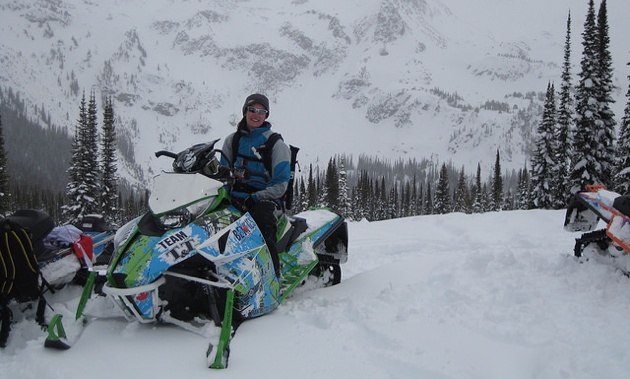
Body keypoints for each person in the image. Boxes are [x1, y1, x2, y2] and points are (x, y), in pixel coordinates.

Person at [220, 94, 291, 279]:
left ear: (266, 116)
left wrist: (256, 198)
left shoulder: (276, 145)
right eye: (252, 110)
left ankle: (272, 276)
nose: (256, 115)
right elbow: (223, 174)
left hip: (266, 200)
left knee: (261, 221)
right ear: (245, 111)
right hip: (235, 198)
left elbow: (281, 184)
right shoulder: (232, 141)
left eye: (261, 111)